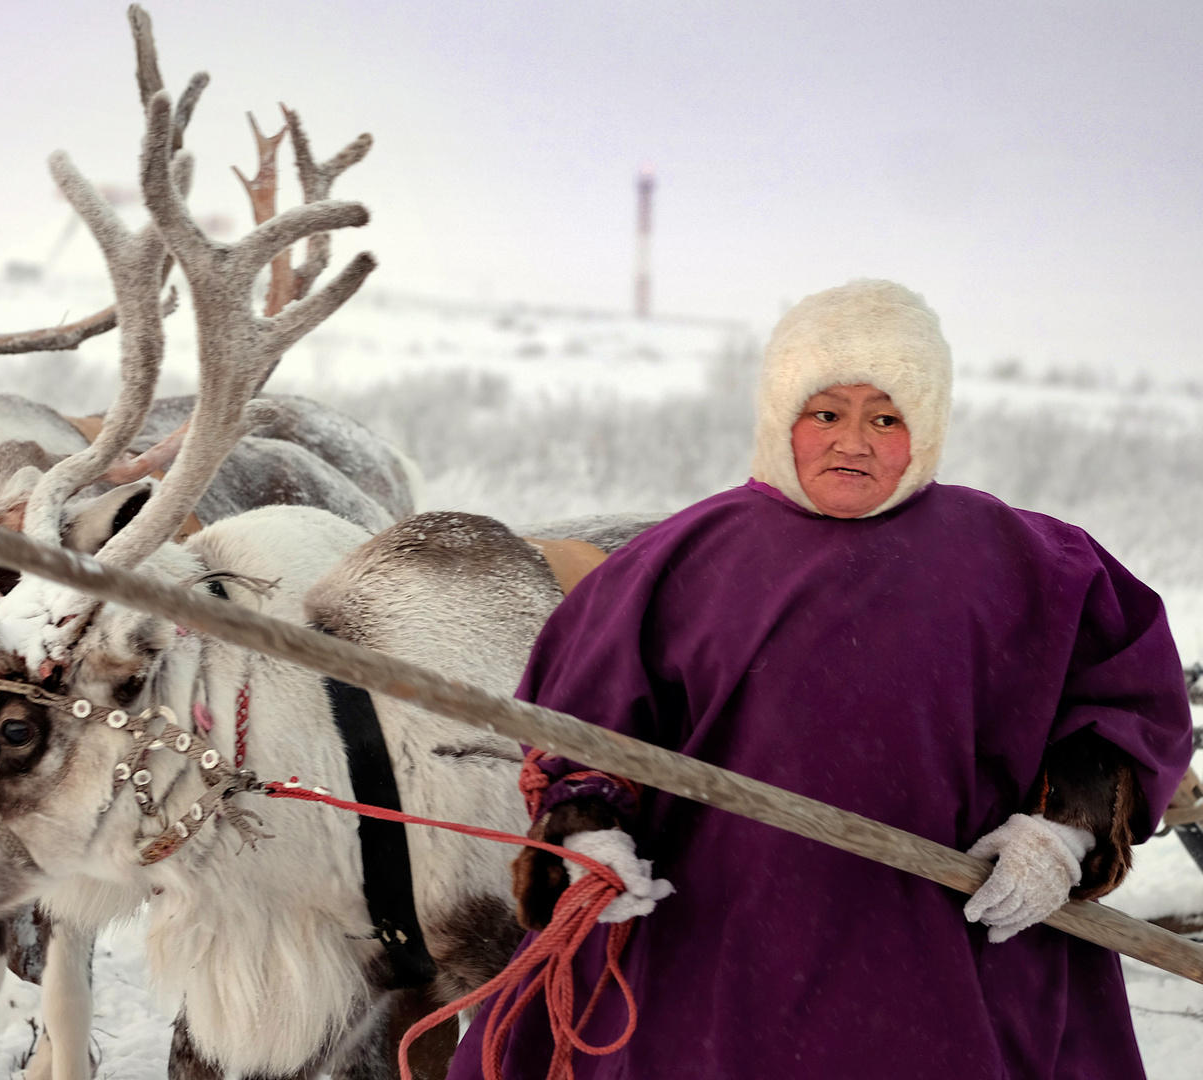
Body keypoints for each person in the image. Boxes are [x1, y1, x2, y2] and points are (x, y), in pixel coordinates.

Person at [448, 280, 1194, 1079]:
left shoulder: (1035, 565)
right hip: (707, 959)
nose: (854, 443)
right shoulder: (675, 564)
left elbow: (1123, 707)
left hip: (958, 957)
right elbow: (580, 732)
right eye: (826, 413)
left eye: (887, 418)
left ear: (929, 426)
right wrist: (588, 833)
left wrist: (1062, 834)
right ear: (780, 417)